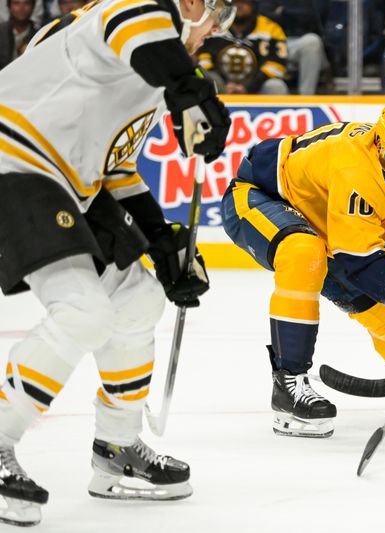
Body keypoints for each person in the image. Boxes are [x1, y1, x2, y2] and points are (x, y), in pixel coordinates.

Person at [0, 0, 233, 526]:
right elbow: (137, 21)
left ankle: (117, 451)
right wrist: (190, 88)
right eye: (219, 11)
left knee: (137, 301)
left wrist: (163, 243)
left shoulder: (147, 80)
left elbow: (118, 171)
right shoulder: (130, 12)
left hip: (68, 184)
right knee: (84, 312)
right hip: (13, 162)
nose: (219, 28)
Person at [221, 102, 385, 438]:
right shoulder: (354, 167)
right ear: (379, 146)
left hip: (333, 225)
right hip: (264, 197)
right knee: (304, 252)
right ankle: (288, 383)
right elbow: (358, 258)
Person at [197, 0, 289, 94]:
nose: (239, 6)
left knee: (275, 85)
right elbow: (203, 59)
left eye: (244, 2)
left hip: (257, 86)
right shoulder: (212, 25)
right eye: (235, 2)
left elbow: (277, 65)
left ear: (254, 4)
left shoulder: (271, 28)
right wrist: (223, 83)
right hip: (220, 85)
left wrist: (248, 86)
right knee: (203, 79)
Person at [259, 0, 328, 95]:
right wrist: (290, 14)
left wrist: (283, 12)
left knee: (312, 42)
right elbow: (260, 12)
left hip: (295, 41)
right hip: (267, 41)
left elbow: (313, 16)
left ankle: (306, 100)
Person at [0, 0, 38, 71]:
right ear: (9, 7)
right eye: (16, 3)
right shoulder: (1, 32)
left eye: (27, 3)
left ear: (33, 7)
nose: (21, 8)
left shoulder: (39, 35)